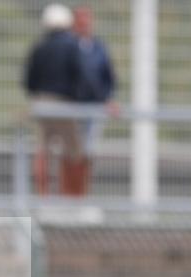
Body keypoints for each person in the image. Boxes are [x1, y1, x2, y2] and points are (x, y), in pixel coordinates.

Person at [23, 4, 86, 196]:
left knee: (42, 151)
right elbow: (80, 75)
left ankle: (42, 197)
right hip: (64, 104)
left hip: (41, 104)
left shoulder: (39, 47)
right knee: (73, 152)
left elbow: (29, 80)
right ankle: (72, 197)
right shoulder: (72, 46)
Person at [73, 5, 118, 189]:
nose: (85, 24)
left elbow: (108, 76)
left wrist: (108, 99)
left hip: (94, 108)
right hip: (71, 109)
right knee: (70, 154)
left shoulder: (99, 47)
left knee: (88, 153)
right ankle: (67, 198)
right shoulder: (68, 46)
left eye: (87, 19)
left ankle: (82, 195)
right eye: (80, 19)